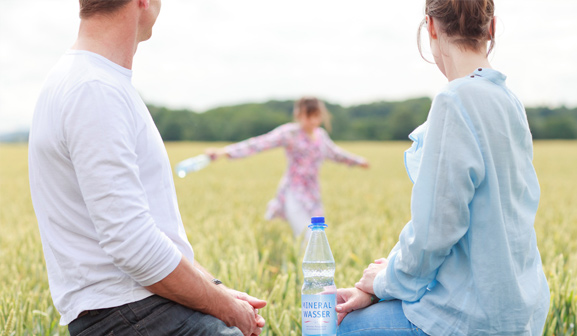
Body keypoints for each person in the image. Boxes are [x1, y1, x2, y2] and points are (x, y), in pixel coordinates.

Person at [28, 1, 265, 335]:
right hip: (134, 315)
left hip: (137, 310)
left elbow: (149, 228)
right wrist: (228, 309)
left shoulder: (89, 80)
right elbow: (133, 245)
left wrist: (216, 287)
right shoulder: (95, 90)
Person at [333, 0, 550, 335]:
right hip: (520, 313)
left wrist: (381, 284)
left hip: (471, 318)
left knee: (337, 327)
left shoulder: (455, 101)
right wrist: (382, 283)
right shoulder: (508, 100)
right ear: (491, 29)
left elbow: (435, 232)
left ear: (431, 26)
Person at [206, 97, 369, 240]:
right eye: (308, 116)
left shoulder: (321, 136)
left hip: (313, 193)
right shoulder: (290, 133)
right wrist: (222, 152)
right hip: (294, 191)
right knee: (306, 235)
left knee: (317, 236)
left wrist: (358, 161)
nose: (313, 121)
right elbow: (259, 143)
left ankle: (302, 268)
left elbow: (336, 153)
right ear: (299, 115)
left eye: (316, 116)